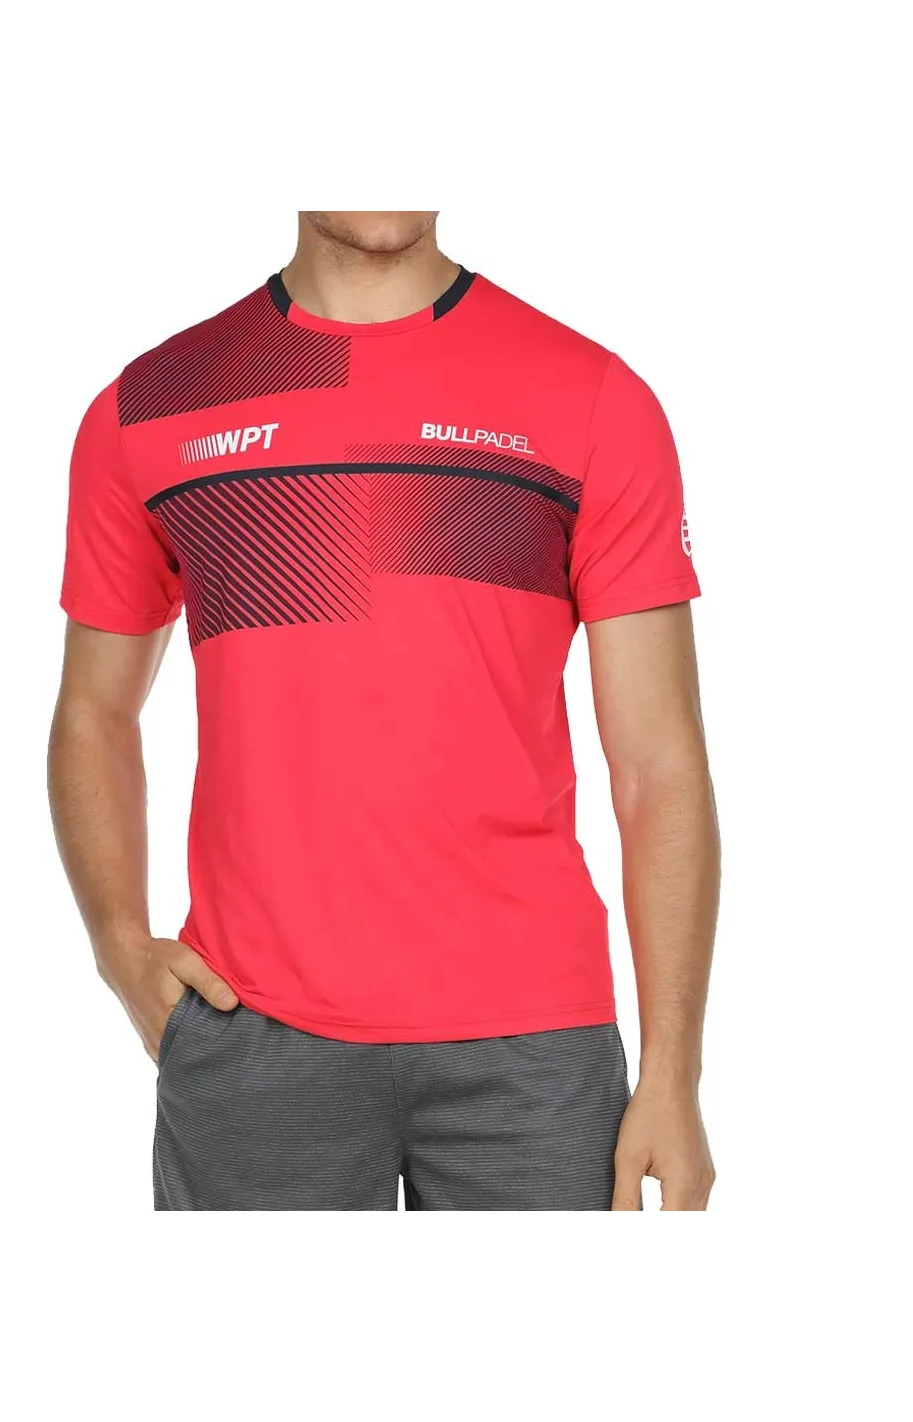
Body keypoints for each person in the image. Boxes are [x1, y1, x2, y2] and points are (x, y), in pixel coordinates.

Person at [49, 208, 719, 1215]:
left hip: (532, 1041)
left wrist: (673, 1073)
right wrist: (117, 945)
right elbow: (93, 712)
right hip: (250, 1030)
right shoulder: (149, 406)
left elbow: (659, 763)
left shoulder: (589, 396)